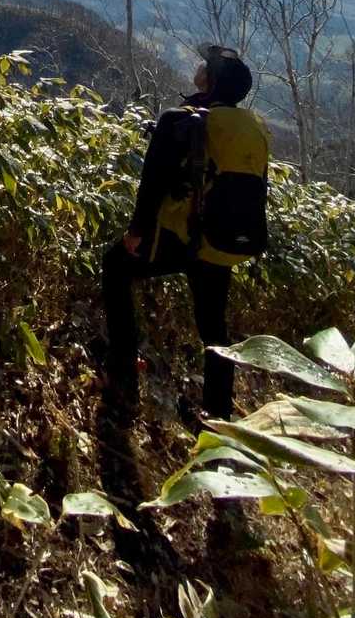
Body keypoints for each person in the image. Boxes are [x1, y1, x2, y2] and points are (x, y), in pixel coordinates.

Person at [101, 44, 269, 422]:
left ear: (210, 80)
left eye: (205, 66)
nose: (199, 67)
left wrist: (136, 232)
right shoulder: (253, 127)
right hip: (221, 241)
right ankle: (218, 418)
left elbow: (153, 183)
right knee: (214, 329)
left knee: (115, 267)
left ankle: (123, 370)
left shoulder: (179, 120)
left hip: (176, 237)